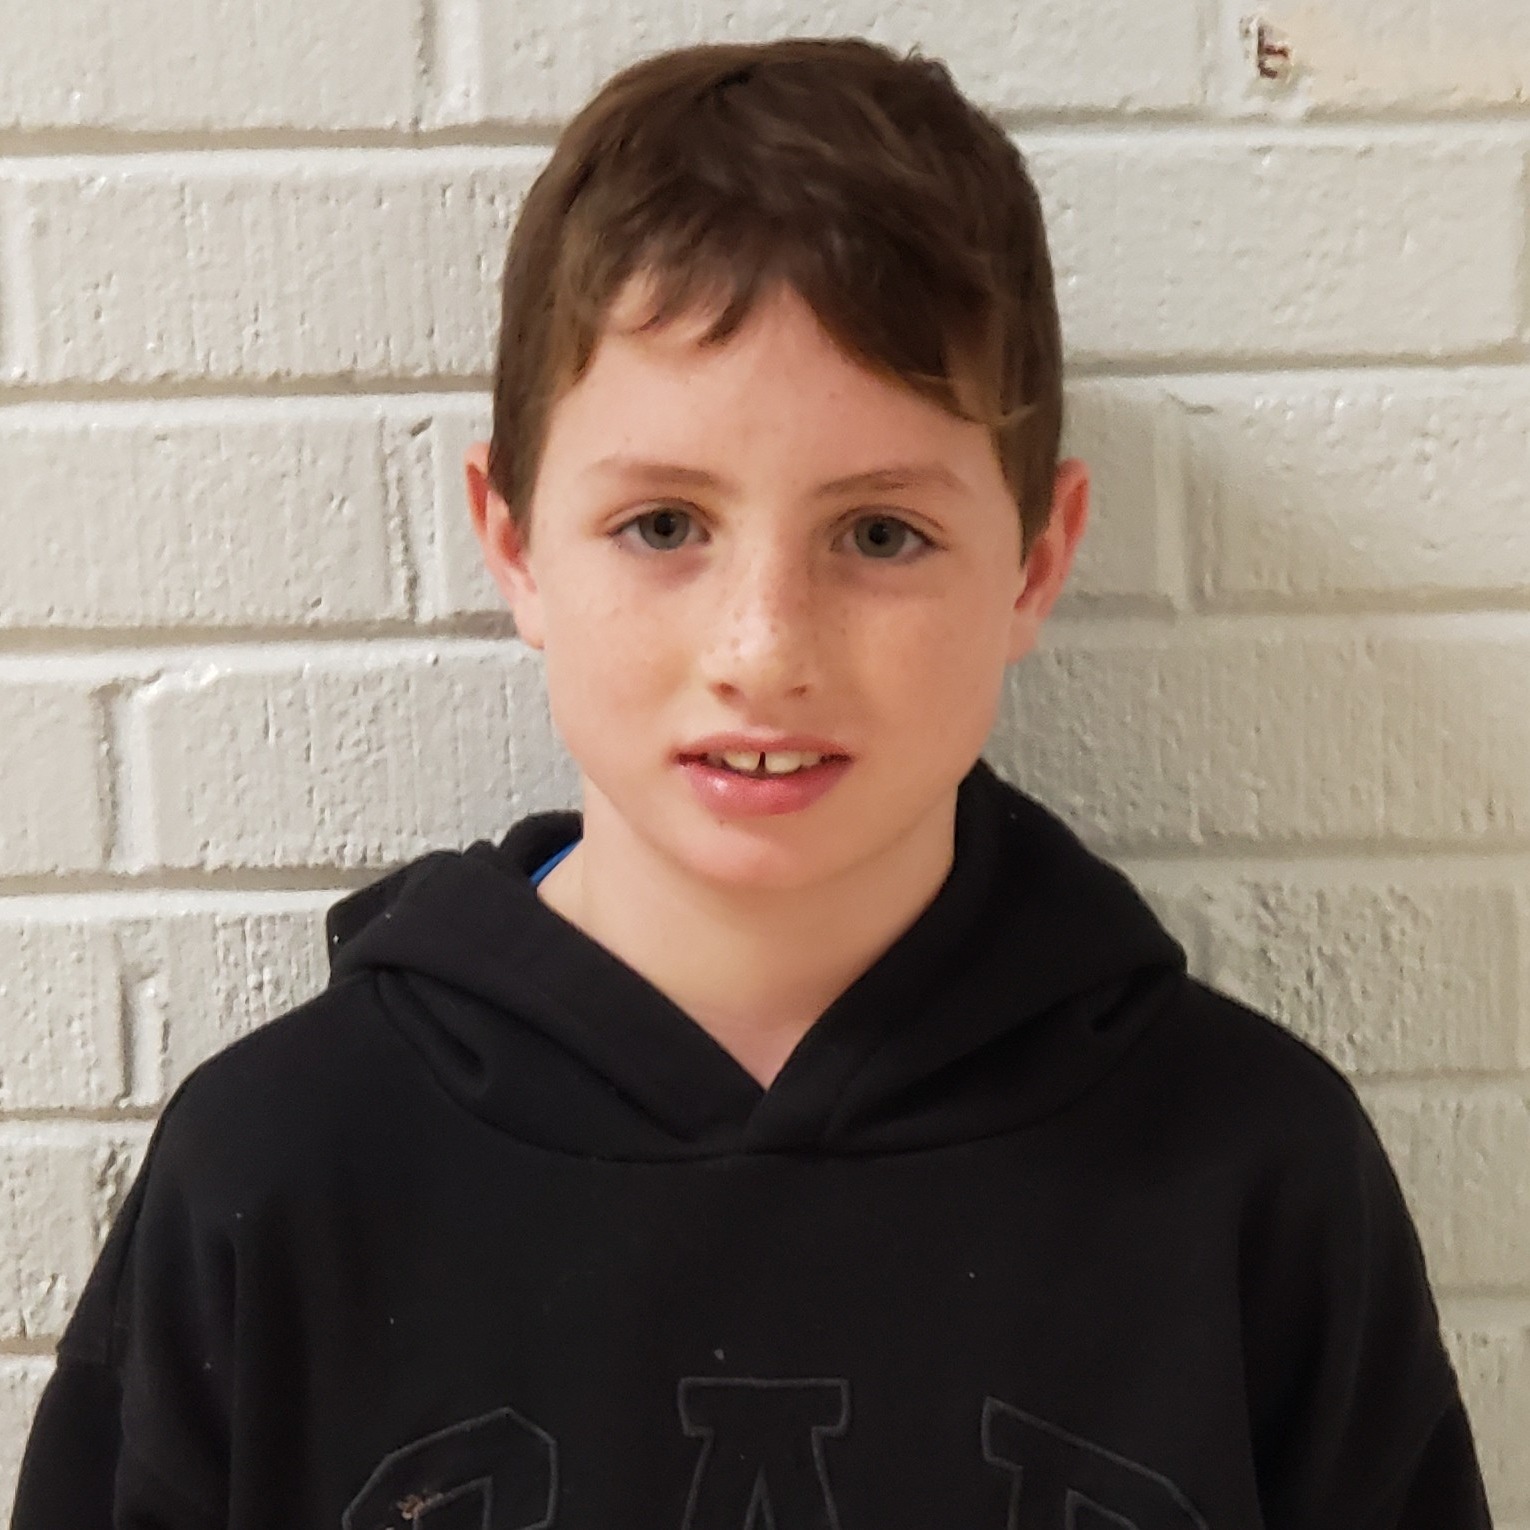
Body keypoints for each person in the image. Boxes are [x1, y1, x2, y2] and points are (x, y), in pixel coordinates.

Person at [11, 35, 1493, 1530]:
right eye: (663, 525)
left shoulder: (1253, 1173)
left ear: (1036, 562)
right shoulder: (276, 1173)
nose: (764, 650)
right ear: (513, 542)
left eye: (879, 535)